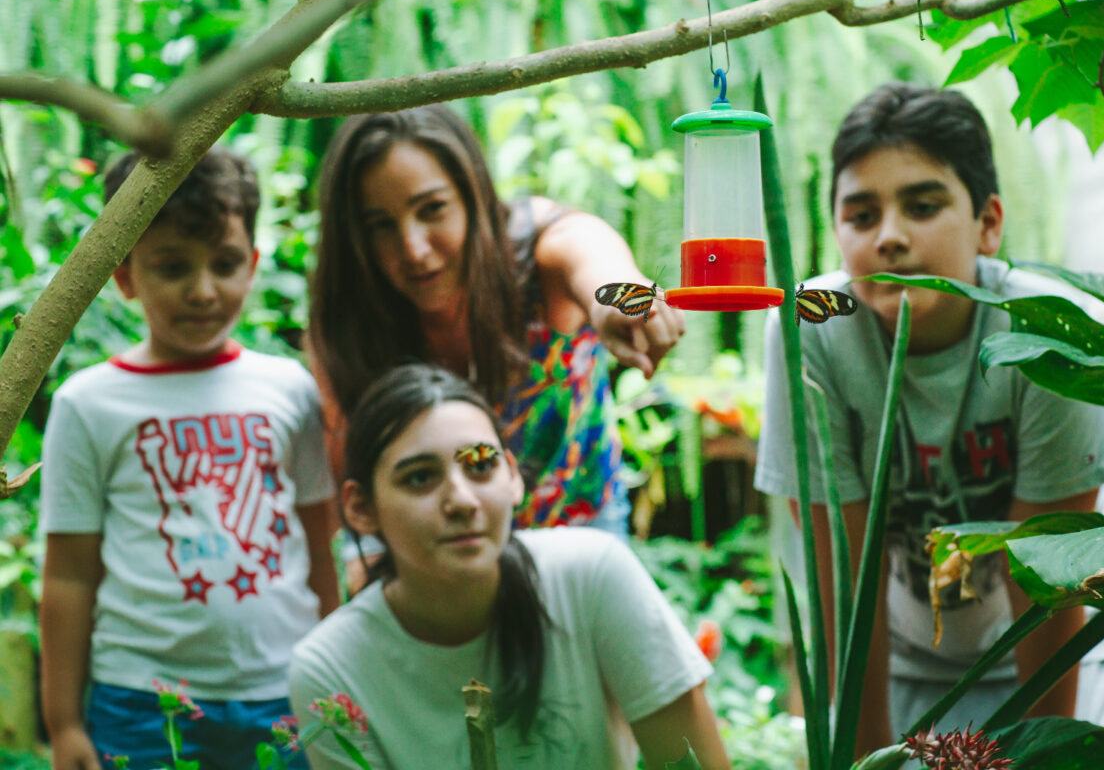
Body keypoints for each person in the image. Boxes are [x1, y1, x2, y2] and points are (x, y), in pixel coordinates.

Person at [753, 83, 1104, 755]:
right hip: (897, 664)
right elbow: (845, 588)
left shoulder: (1048, 331)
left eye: (922, 207)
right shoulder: (811, 329)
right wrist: (866, 763)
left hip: (1050, 655)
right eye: (861, 216)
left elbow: (1050, 578)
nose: (890, 237)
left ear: (988, 222)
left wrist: (1032, 760)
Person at [40, 148, 339, 770]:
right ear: (125, 276)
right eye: (173, 267)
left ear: (253, 266)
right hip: (142, 704)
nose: (203, 291)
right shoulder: (87, 403)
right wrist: (65, 723)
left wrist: (336, 675)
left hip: (282, 689)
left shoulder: (290, 390)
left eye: (225, 264)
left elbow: (318, 547)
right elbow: (68, 574)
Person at [287, 363, 729, 769]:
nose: (461, 500)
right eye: (420, 477)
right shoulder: (332, 668)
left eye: (480, 465)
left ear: (513, 477)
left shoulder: (591, 575)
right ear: (361, 509)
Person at [307, 105, 685, 549]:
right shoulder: (351, 319)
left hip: (579, 532)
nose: (413, 248)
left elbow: (592, 255)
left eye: (432, 209)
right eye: (380, 226)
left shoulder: (536, 251)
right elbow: (348, 473)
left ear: (473, 197)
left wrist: (623, 299)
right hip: (435, 552)